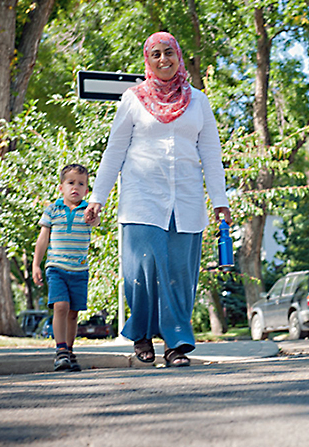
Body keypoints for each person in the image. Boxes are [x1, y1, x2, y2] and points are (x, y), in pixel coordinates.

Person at [85, 32, 231, 368]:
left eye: (169, 53)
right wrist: (98, 198)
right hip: (141, 199)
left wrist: (220, 199)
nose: (164, 60)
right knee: (142, 270)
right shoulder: (132, 99)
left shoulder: (198, 101)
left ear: (179, 57)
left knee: (180, 273)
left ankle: (176, 342)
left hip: (187, 200)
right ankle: (141, 335)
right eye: (156, 55)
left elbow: (210, 153)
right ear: (147, 61)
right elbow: (115, 150)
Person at [33, 164, 100, 372]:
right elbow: (43, 240)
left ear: (87, 190)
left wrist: (94, 216)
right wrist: (36, 263)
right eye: (70, 183)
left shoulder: (88, 209)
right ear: (61, 187)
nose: (75, 187)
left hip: (79, 271)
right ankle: (60, 350)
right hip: (56, 267)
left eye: (81, 184)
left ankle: (69, 351)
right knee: (60, 306)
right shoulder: (52, 210)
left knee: (73, 313)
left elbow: (96, 222)